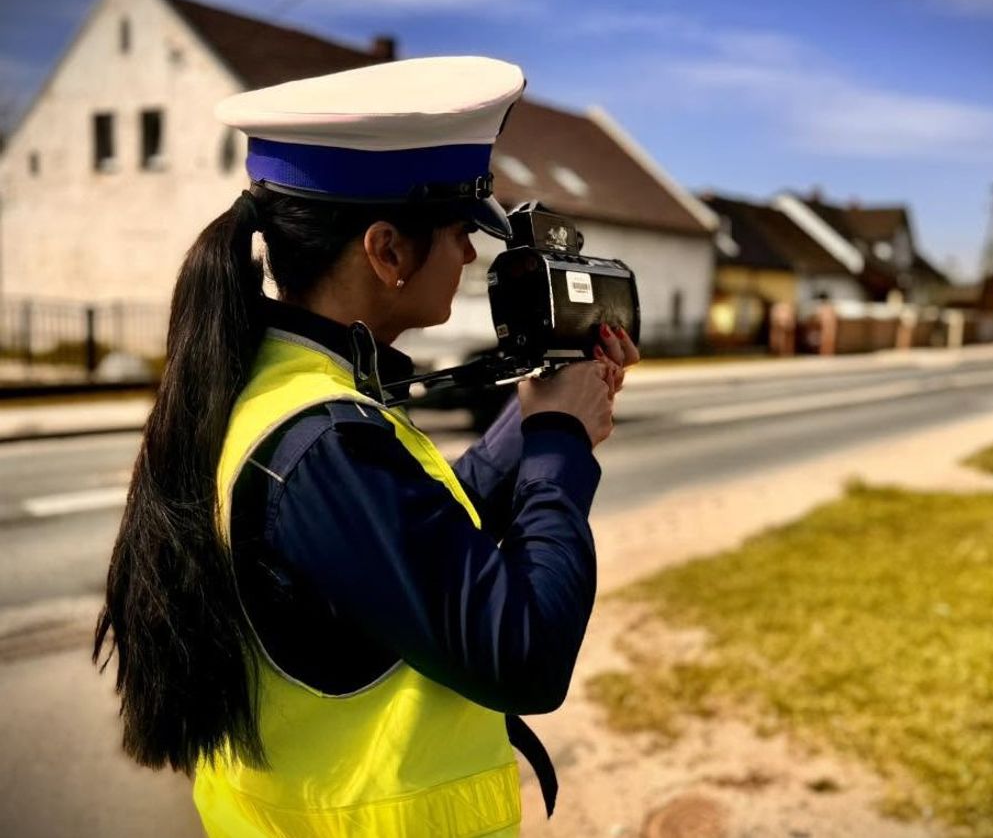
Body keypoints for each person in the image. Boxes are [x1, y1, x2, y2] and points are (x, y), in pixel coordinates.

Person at [93, 57, 639, 838]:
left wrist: (529, 419)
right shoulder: (322, 446)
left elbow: (403, 540)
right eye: (459, 232)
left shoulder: (278, 387)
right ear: (386, 251)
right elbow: (525, 650)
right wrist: (560, 442)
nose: (472, 257)